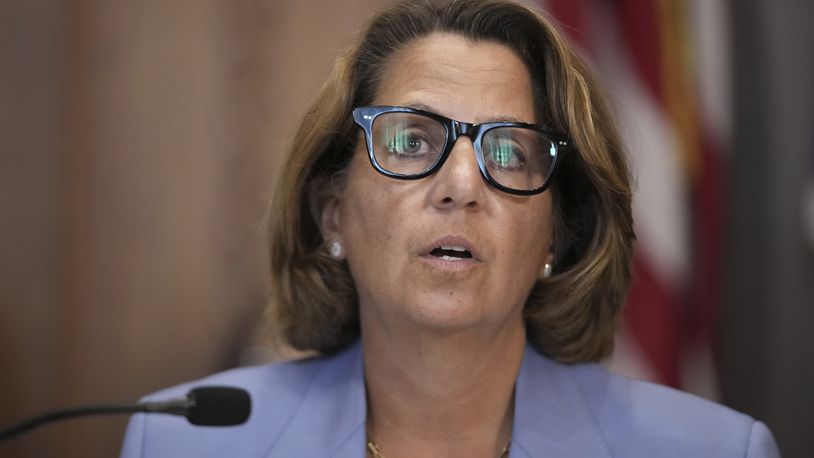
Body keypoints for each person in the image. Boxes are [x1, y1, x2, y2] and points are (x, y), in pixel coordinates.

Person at [120, 1, 781, 457]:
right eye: (410, 141)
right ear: (333, 216)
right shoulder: (186, 441)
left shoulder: (713, 450)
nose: (462, 185)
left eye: (508, 153)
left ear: (554, 237)